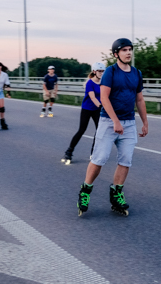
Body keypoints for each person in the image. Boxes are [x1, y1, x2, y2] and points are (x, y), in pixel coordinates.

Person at [77, 38, 148, 217]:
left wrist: (145, 122)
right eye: (124, 50)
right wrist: (115, 121)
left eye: (130, 49)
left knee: (126, 161)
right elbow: (105, 98)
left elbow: (139, 99)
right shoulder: (110, 72)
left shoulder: (136, 73)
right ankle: (85, 190)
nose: (128, 53)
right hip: (109, 122)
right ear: (116, 54)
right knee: (99, 159)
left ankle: (116, 194)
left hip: (129, 123)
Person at [61, 62, 106, 165]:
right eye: (99, 71)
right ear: (94, 71)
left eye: (103, 71)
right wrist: (101, 106)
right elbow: (92, 97)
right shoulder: (89, 83)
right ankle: (69, 151)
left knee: (99, 131)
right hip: (87, 109)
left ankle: (93, 153)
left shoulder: (103, 83)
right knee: (81, 130)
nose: (101, 73)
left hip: (97, 110)